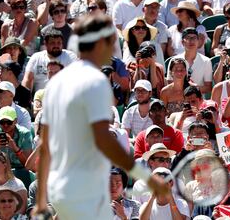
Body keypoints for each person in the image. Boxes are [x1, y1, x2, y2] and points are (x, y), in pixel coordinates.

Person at [34, 14, 168, 220]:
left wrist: (42, 201)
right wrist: (147, 179)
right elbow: (104, 140)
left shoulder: (55, 83)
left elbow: (45, 147)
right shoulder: (95, 82)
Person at [167, 28, 212, 94]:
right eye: (188, 38)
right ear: (182, 42)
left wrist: (193, 89)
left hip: (197, 100)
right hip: (178, 98)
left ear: (198, 41)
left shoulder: (206, 61)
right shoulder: (174, 60)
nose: (191, 41)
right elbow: (170, 83)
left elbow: (208, 87)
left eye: (194, 38)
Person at [0, 106, 33, 170]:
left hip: (21, 170)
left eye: (9, 122)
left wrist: (16, 149)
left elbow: (28, 165)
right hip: (0, 171)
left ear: (15, 121)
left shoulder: (25, 134)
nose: (5, 125)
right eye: (2, 122)